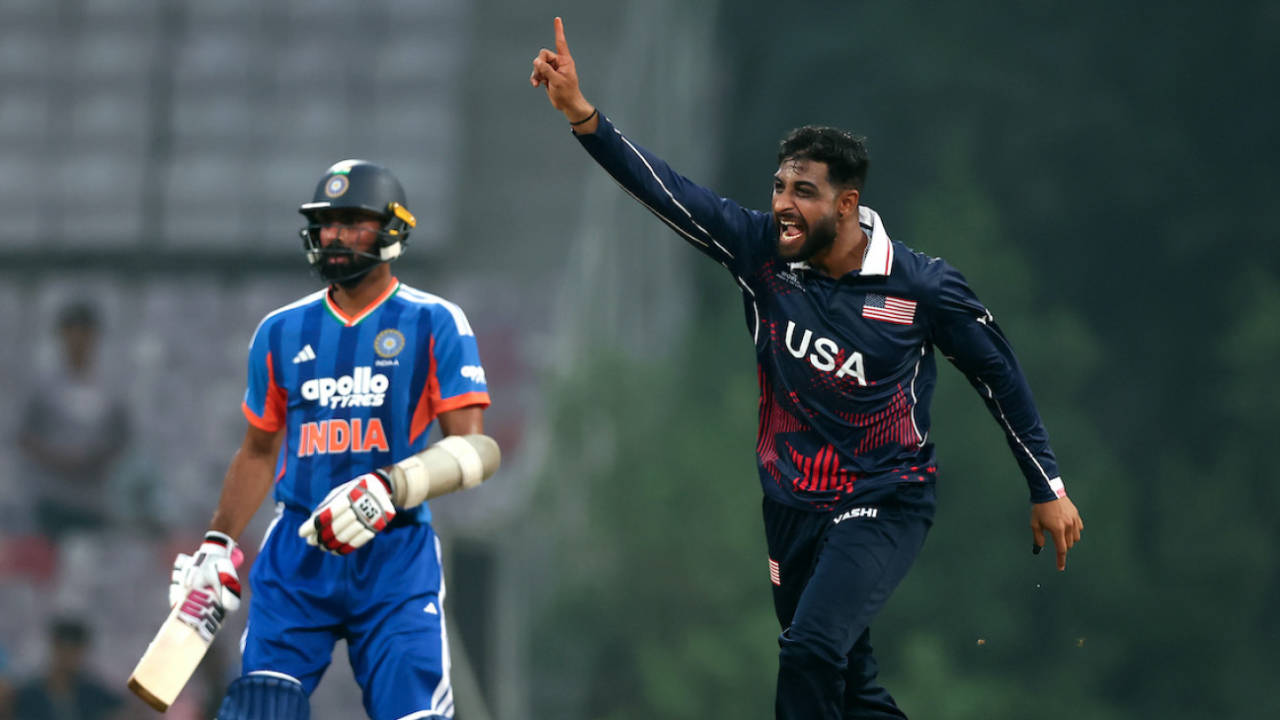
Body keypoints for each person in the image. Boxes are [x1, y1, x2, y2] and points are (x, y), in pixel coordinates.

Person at [530, 18, 1083, 720]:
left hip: (885, 496)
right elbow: (669, 192)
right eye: (779, 186)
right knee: (847, 685)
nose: (783, 205)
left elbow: (997, 373)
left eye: (804, 191)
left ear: (847, 204)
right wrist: (583, 116)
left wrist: (1046, 484)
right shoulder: (760, 250)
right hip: (790, 504)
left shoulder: (922, 287)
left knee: (810, 652)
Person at [167, 160, 492, 720]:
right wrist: (217, 543)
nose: (335, 236)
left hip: (394, 555)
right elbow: (259, 451)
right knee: (262, 709)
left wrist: (390, 487)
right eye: (326, 224)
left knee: (413, 714)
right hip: (298, 554)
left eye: (353, 222)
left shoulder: (435, 320)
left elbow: (476, 449)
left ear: (392, 229)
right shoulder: (279, 330)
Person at [17, 301, 131, 540]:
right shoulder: (43, 388)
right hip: (51, 499)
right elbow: (26, 437)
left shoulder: (111, 391)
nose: (78, 341)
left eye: (84, 334)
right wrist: (56, 457)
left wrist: (91, 458)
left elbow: (121, 440)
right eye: (72, 333)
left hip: (94, 499)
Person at [13, 618, 124, 720]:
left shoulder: (93, 694)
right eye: (64, 649)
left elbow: (121, 708)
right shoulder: (29, 695)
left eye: (74, 652)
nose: (68, 657)